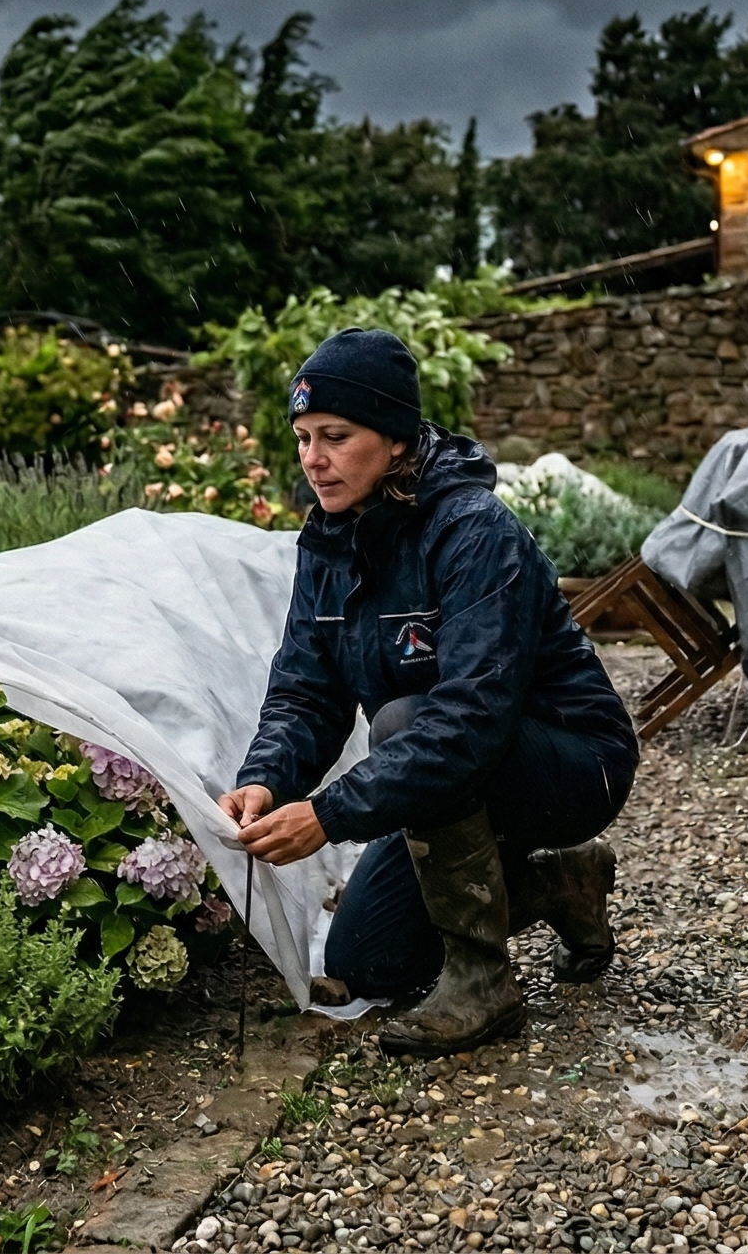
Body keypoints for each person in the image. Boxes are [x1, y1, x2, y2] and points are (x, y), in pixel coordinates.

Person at [219, 327, 639, 1056]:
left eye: (335, 435)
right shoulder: (329, 541)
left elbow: (469, 721)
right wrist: (265, 778)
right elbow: (304, 693)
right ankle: (561, 886)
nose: (312, 459)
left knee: (406, 719)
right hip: (447, 771)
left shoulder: (473, 532)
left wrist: (327, 814)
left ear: (394, 439)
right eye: (302, 437)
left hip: (568, 763)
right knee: (369, 963)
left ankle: (483, 983)